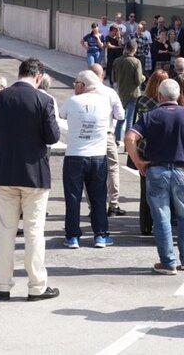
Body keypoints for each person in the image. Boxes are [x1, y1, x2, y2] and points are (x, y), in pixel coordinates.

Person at [0, 58, 61, 302]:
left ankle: (3, 284)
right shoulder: (44, 100)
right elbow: (52, 137)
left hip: (5, 171)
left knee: (6, 230)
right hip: (35, 174)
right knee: (34, 232)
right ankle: (37, 286)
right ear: (38, 77)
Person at [125, 79, 184, 274]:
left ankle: (167, 262)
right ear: (178, 95)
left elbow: (130, 137)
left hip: (157, 169)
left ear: (159, 95)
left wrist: (139, 161)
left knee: (161, 217)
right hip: (182, 170)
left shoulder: (150, 115)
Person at [59, 70, 113, 249]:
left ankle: (72, 236)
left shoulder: (73, 101)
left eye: (75, 83)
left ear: (82, 85)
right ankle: (100, 234)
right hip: (98, 154)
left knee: (73, 197)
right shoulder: (104, 102)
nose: (74, 86)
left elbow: (62, 115)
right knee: (98, 196)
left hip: (75, 154)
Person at [134, 70, 169, 235]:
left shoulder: (142, 100)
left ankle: (145, 224)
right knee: (164, 189)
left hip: (144, 148)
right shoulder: (167, 103)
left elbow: (134, 124)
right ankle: (161, 222)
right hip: (163, 148)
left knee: (145, 189)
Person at [90, 64, 127, 216]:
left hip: (89, 135)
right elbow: (120, 115)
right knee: (112, 168)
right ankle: (113, 204)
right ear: (102, 76)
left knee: (91, 170)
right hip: (106, 134)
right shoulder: (109, 92)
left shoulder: (83, 92)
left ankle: (94, 206)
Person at [112, 40, 144, 143]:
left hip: (121, 92)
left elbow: (113, 78)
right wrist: (143, 77)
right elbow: (138, 80)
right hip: (133, 94)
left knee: (120, 117)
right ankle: (128, 142)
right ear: (135, 49)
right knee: (130, 119)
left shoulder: (117, 61)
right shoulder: (136, 62)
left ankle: (116, 139)